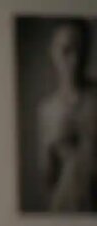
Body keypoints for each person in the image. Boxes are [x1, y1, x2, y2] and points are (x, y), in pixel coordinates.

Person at [37, 19, 97, 212]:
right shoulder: (47, 109)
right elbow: (47, 178)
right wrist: (51, 144)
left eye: (81, 50)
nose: (74, 60)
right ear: (53, 53)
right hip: (64, 207)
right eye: (66, 50)